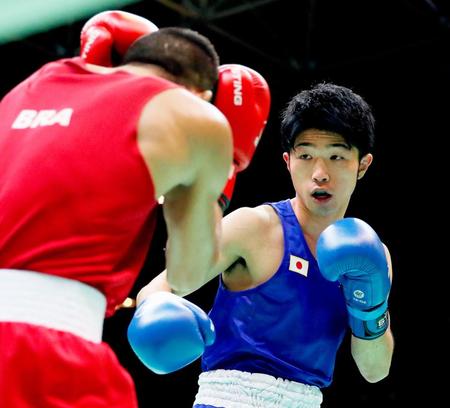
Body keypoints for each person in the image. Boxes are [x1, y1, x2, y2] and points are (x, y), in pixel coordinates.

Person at [0, 10, 269, 408]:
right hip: (41, 350)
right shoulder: (196, 117)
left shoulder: (30, 87)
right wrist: (225, 168)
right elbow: (187, 272)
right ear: (203, 96)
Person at [133, 82, 395, 407]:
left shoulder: (373, 256)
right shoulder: (254, 227)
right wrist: (159, 311)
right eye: (306, 155)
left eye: (337, 157)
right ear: (288, 161)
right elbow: (158, 288)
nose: (320, 173)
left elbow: (375, 370)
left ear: (363, 165)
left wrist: (370, 307)